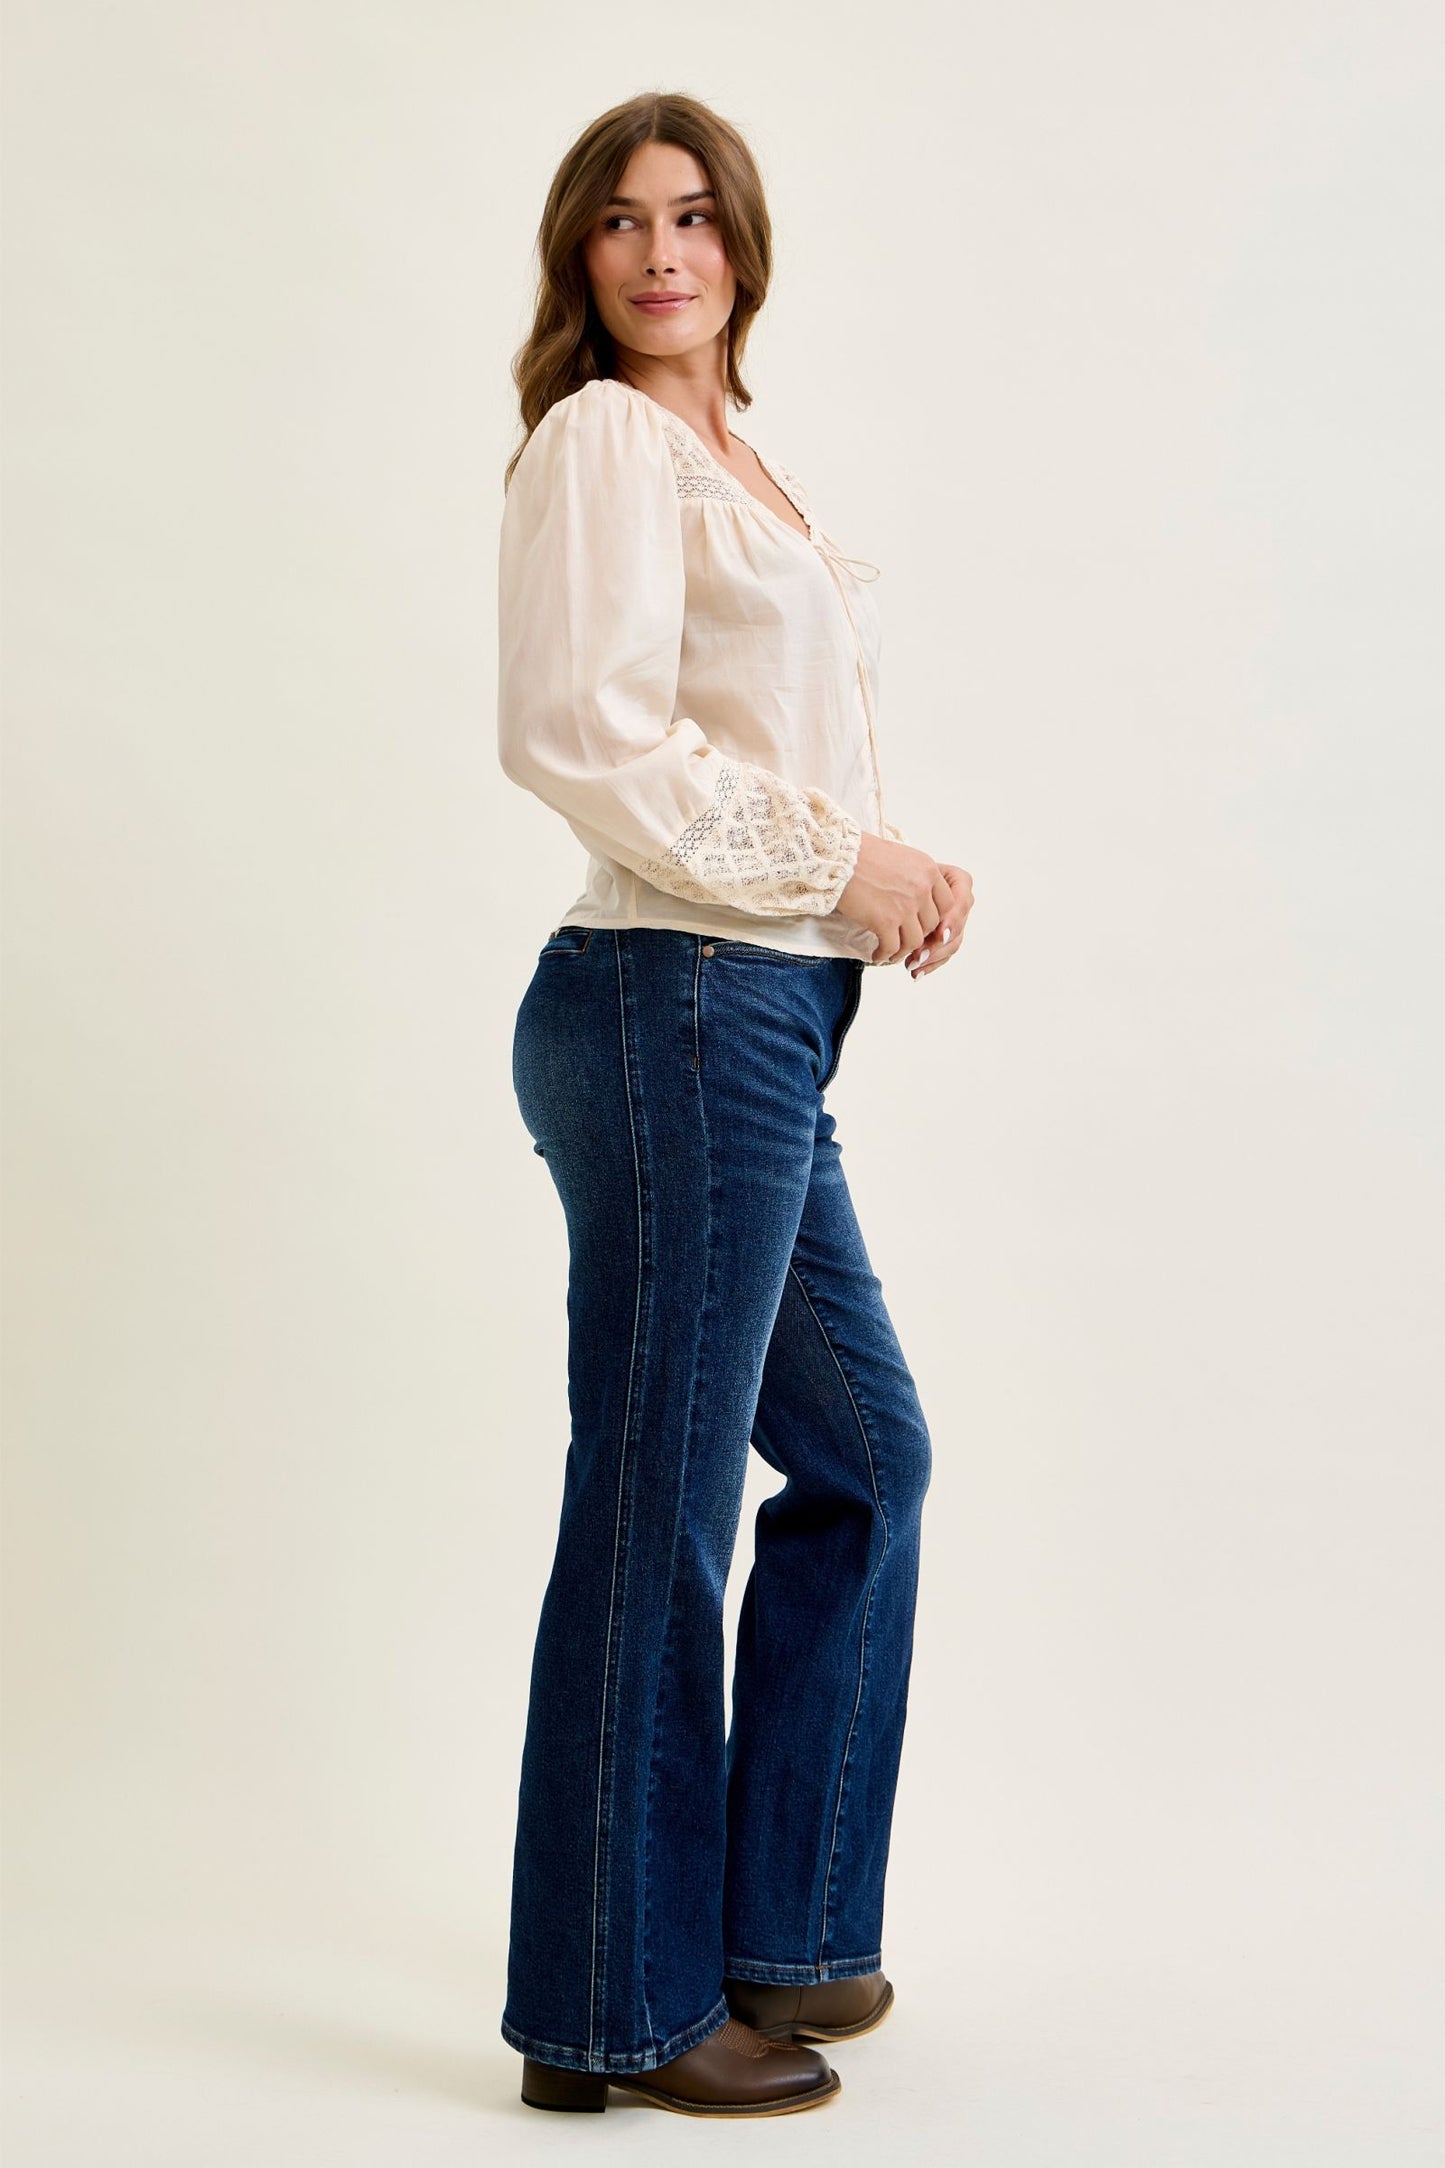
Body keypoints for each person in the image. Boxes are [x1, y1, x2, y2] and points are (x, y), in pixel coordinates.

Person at [494, 92, 974, 2120]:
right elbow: (579, 737)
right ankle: (608, 2004)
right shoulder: (607, 440)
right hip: (674, 1006)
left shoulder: (734, 461)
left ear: (742, 244)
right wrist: (846, 863)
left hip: (753, 1015)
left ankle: (778, 1926)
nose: (660, 252)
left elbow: (741, 729)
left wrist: (870, 880)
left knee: (867, 1456)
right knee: (659, 1496)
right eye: (620, 223)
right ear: (579, 257)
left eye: (693, 217)